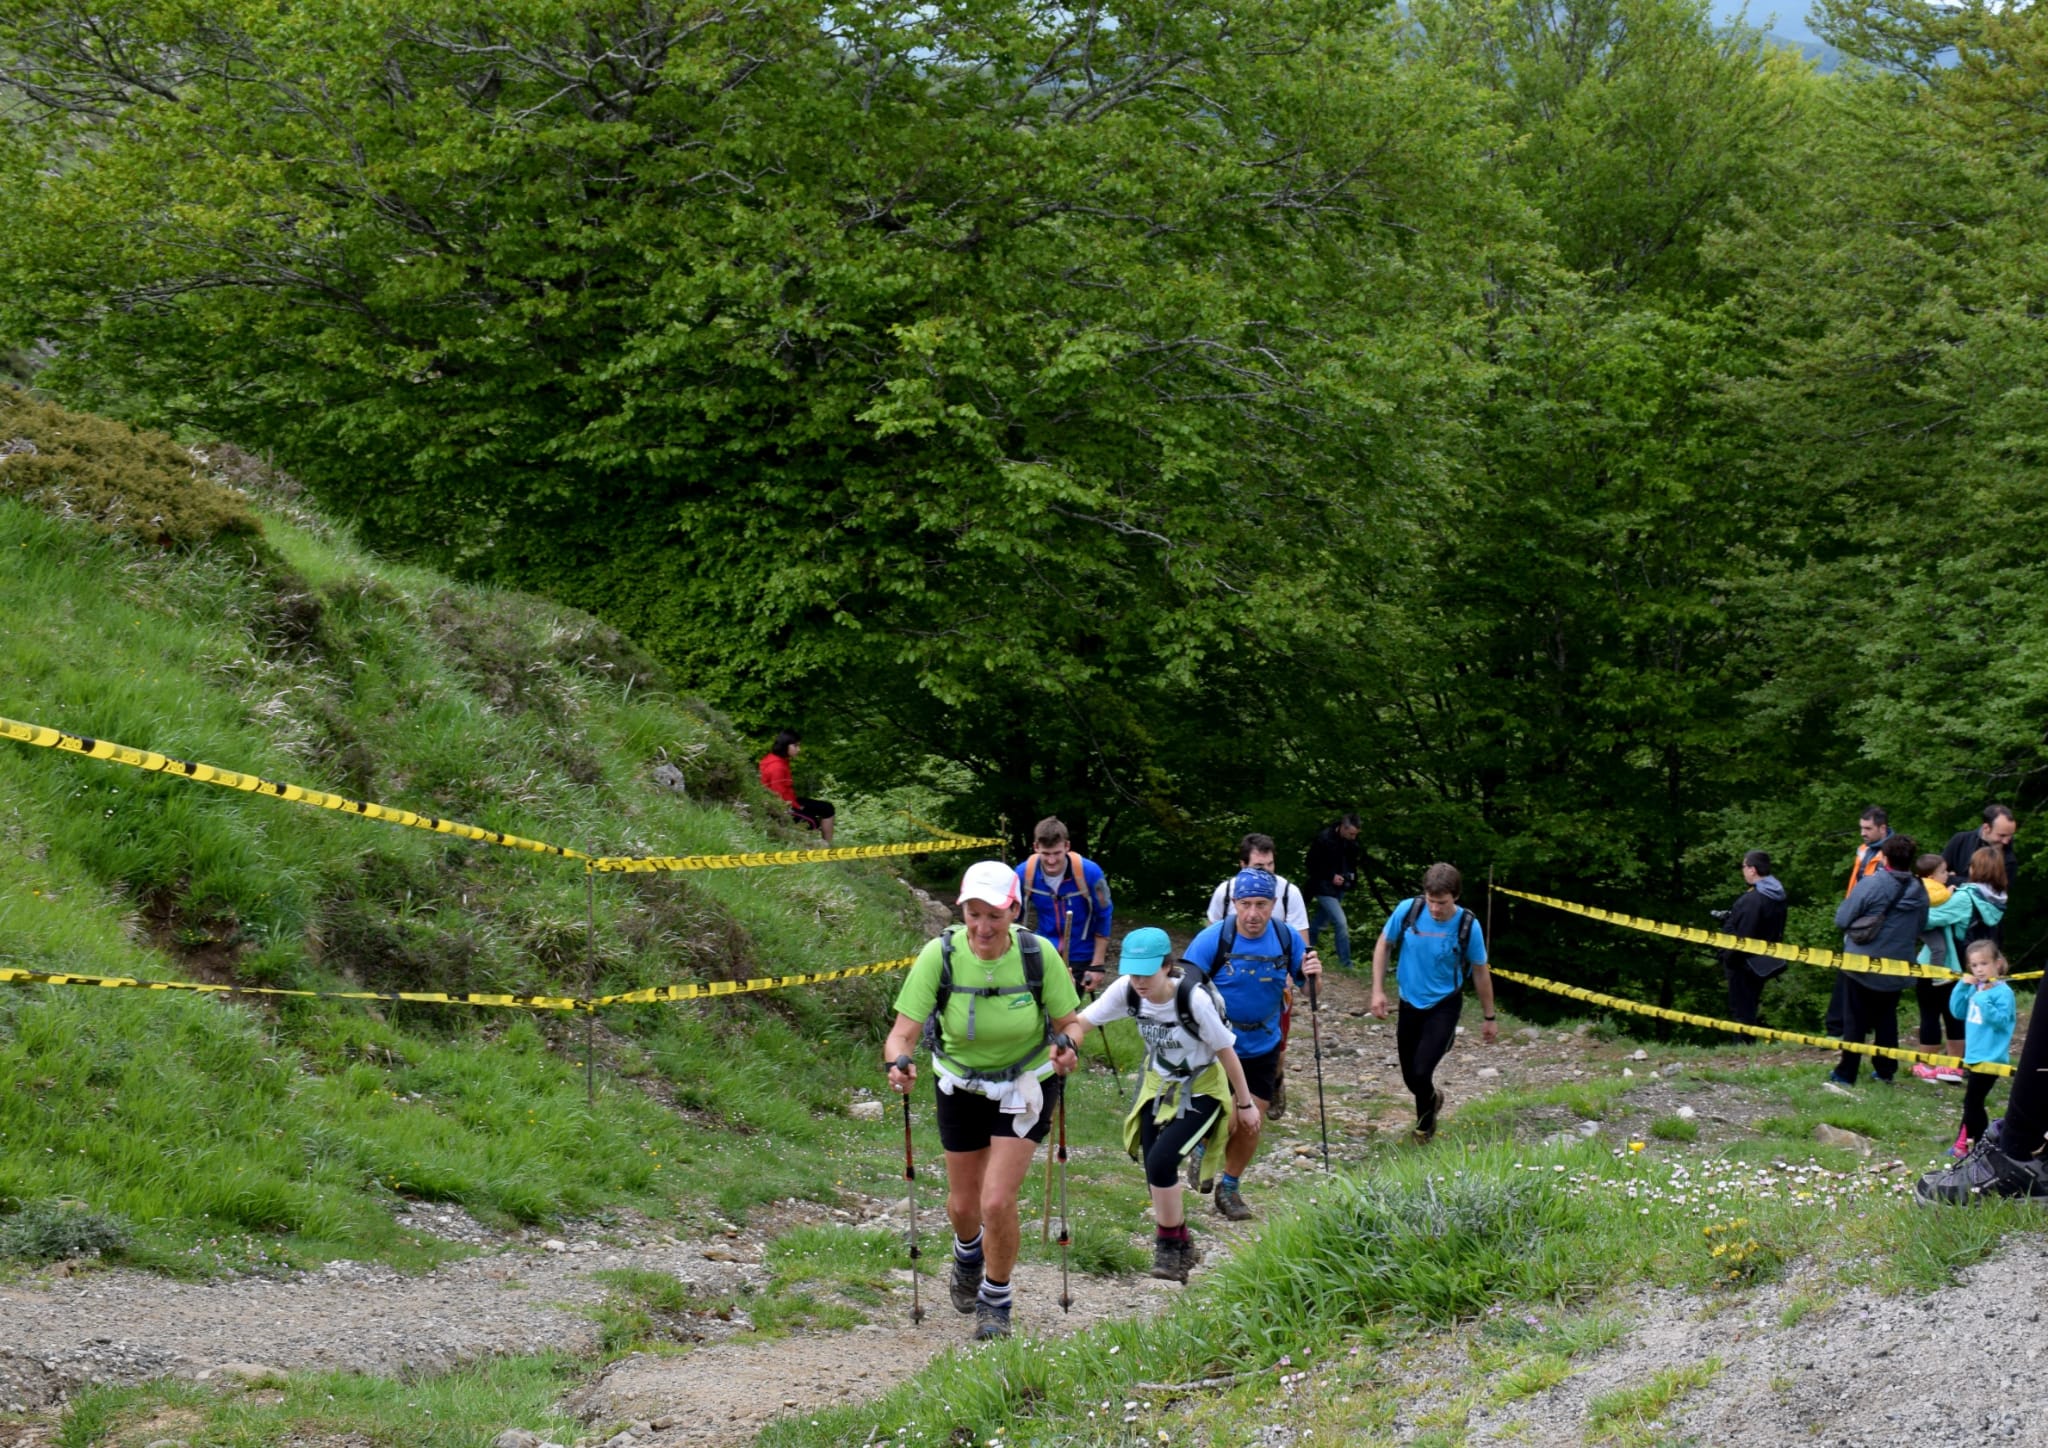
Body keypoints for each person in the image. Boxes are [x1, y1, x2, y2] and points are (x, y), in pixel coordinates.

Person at [882, 861, 1083, 1340]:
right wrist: (899, 1065)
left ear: (1013, 909)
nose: (983, 926)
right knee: (963, 1206)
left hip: (1025, 1085)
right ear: (962, 911)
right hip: (959, 1085)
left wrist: (1068, 1048)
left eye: (994, 914)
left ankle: (997, 1299)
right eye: (974, 914)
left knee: (997, 1202)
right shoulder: (941, 955)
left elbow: (1069, 1022)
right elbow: (902, 1035)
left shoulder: (1039, 956)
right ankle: (968, 1252)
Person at [1069, 927, 1259, 1282]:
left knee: (1162, 1160)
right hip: (1158, 1084)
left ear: (1167, 966)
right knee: (1154, 1169)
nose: (1139, 980)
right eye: (1133, 971)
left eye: (1147, 971)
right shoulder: (1126, 990)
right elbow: (1084, 1021)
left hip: (1203, 1088)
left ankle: (1168, 1247)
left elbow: (1225, 1051)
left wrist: (1245, 1104)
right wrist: (1065, 1043)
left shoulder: (1193, 1000)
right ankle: (1182, 1241)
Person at [1178, 869, 1319, 1220]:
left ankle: (1229, 1187)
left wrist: (1314, 976)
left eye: (1261, 904)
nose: (1253, 914)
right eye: (1245, 904)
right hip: (1216, 1044)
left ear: (1273, 904)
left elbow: (1309, 990)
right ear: (1234, 904)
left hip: (1262, 1044)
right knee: (1222, 1116)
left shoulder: (1287, 939)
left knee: (1251, 1121)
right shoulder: (1214, 939)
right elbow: (1184, 990)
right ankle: (1203, 1147)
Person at [1369, 862, 1496, 1141]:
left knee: (1422, 1069)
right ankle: (1434, 1098)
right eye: (1431, 901)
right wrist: (1377, 990)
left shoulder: (1467, 925)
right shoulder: (1408, 910)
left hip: (1444, 1004)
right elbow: (1384, 944)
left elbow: (1480, 971)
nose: (1435, 909)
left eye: (1442, 903)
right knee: (1411, 1077)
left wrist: (1489, 1017)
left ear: (1456, 897)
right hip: (1408, 1003)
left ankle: (1423, 1128)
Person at [1205, 833, 1310, 1118]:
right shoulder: (1225, 893)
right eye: (1258, 866)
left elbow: (1301, 939)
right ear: (1242, 865)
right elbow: (1212, 936)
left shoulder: (1288, 893)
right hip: (1231, 983)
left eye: (1270, 865)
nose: (1266, 872)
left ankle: (1274, 1081)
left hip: (1276, 983)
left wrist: (1294, 973)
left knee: (1278, 1046)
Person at [1826, 834, 1928, 1088]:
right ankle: (1885, 1071)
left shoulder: (1872, 884)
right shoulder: (1920, 889)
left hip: (1862, 964)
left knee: (1855, 1020)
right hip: (1898, 966)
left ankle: (1846, 1073)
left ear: (1885, 857)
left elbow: (1841, 919)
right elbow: (1921, 925)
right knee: (1886, 1019)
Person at [1016, 817, 1114, 994]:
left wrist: (1097, 964)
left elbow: (1104, 914)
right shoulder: (1024, 873)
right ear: (1036, 847)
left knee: (1064, 1013)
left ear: (1067, 847)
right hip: (1044, 949)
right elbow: (1013, 916)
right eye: (1046, 854)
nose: (1052, 861)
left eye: (1057, 853)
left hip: (1080, 953)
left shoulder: (1090, 872)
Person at [1827, 806, 1895, 1037]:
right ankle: (1839, 1027)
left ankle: (1848, 1028)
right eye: (1861, 828)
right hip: (1855, 920)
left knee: (1863, 978)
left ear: (1882, 828)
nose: (1863, 833)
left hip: (1872, 925)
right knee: (1848, 974)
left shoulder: (1891, 854)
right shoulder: (1865, 849)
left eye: (1868, 828)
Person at [1947, 941, 2015, 1157]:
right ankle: (1965, 1145)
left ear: (1998, 963)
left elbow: (2002, 1021)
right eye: (1974, 965)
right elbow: (1958, 1012)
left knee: (1972, 1103)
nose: (1979, 969)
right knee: (1971, 1103)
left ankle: (1980, 1146)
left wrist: (1984, 997)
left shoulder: (2003, 992)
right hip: (1973, 1056)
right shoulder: (1976, 988)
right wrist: (1962, 986)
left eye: (1984, 964)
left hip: (1991, 1058)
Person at [1907, 853, 1966, 1083]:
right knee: (1951, 1016)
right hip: (1951, 966)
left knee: (1932, 1016)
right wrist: (1952, 890)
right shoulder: (1942, 893)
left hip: (1939, 965)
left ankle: (1928, 1067)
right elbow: (1931, 915)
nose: (1948, 875)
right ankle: (1951, 1068)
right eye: (1944, 872)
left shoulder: (1918, 889)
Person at [1716, 850, 1788, 1026]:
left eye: (1744, 866)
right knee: (1751, 1004)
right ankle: (1747, 1044)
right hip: (1763, 960)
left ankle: (1743, 1047)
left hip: (1743, 963)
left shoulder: (1753, 900)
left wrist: (1727, 957)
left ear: (1752, 869)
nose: (1743, 870)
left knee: (1741, 1010)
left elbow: (1744, 936)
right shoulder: (1777, 895)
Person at [1940, 806, 2018, 924]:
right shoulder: (1960, 841)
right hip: (1949, 917)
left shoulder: (2009, 860)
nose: (2006, 841)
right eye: (2002, 835)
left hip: (1983, 926)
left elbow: (1991, 894)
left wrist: (1952, 879)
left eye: (2010, 835)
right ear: (1986, 827)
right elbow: (1934, 875)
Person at [757, 729, 836, 844]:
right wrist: (799, 807)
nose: (799, 749)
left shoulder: (781, 760)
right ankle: (815, 850)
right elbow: (779, 798)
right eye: (795, 746)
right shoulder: (776, 767)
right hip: (780, 806)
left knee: (827, 808)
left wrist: (798, 805)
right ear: (785, 745)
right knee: (812, 822)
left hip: (790, 800)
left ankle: (828, 846)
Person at [1305, 813, 1362, 971]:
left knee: (1319, 923)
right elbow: (1311, 864)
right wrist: (1331, 876)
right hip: (1322, 886)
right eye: (1351, 833)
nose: (1353, 837)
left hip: (1340, 888)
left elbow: (1352, 864)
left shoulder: (1351, 842)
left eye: (1355, 834)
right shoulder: (1324, 839)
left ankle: (1305, 950)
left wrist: (1351, 880)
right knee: (1341, 922)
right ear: (1343, 828)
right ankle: (1346, 964)